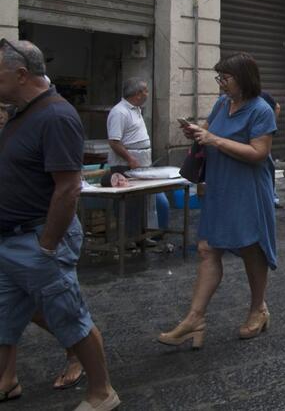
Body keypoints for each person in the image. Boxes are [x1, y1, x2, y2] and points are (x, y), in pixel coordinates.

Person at [0, 39, 120, 411]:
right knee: (4, 317)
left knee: (69, 315)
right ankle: (7, 380)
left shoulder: (56, 116)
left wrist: (48, 245)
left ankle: (102, 393)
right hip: (11, 236)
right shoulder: (21, 112)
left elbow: (68, 187)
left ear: (20, 75)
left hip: (38, 236)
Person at [158, 52, 277, 349]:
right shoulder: (223, 103)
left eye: (226, 78)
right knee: (207, 248)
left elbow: (258, 153)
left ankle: (258, 309)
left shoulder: (260, 110)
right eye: (219, 78)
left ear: (243, 79)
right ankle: (194, 319)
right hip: (221, 185)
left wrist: (213, 140)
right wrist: (197, 133)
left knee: (251, 247)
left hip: (247, 187)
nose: (221, 84)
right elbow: (211, 133)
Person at [106, 78, 170, 233]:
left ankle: (141, 234)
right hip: (125, 166)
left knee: (142, 203)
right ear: (137, 94)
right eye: (145, 91)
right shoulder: (119, 112)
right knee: (129, 205)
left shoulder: (136, 109)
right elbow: (114, 142)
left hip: (142, 164)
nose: (148, 94)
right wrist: (130, 159)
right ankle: (128, 238)